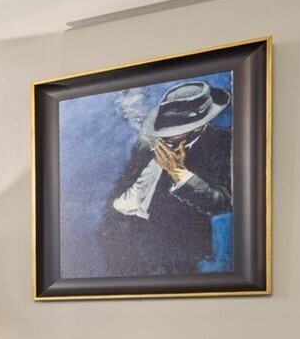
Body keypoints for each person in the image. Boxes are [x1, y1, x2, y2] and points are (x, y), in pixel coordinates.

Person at [93, 80, 233, 277]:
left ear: (197, 127)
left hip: (172, 249)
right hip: (123, 239)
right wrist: (109, 226)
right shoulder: (146, 144)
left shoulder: (221, 144)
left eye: (172, 132)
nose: (164, 136)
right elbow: (125, 184)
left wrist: (177, 172)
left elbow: (222, 202)